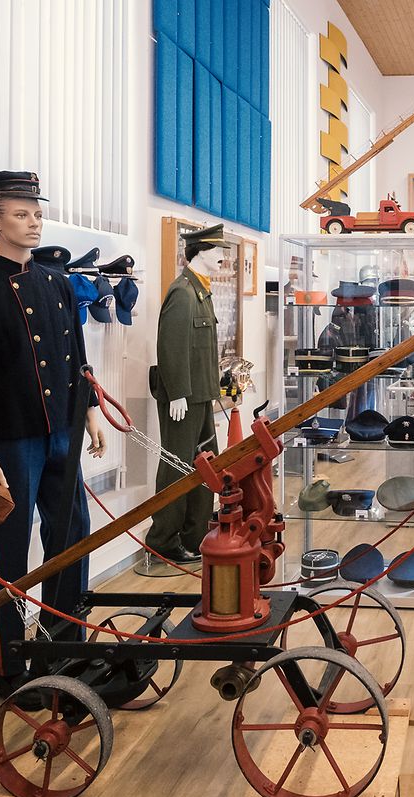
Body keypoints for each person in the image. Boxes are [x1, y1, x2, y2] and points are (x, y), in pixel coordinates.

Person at [0, 171, 106, 699]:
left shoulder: (57, 283)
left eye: (37, 213)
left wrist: (89, 412)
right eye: (21, 214)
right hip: (12, 439)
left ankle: (65, 647)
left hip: (63, 426)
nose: (33, 222)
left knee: (71, 540)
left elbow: (75, 359)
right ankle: (10, 668)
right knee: (10, 553)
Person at [146, 224, 225, 569]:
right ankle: (162, 540)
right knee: (176, 468)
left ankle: (195, 537)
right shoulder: (183, 292)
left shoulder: (201, 291)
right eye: (219, 251)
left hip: (200, 396)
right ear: (202, 252)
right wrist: (177, 392)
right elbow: (171, 345)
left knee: (206, 466)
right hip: (184, 399)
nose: (223, 257)